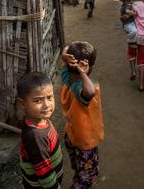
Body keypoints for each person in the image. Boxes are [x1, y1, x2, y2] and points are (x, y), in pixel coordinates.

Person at [61, 41, 104, 188]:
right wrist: (82, 73)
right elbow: (90, 92)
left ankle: (81, 172)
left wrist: (67, 60)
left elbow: (66, 49)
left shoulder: (66, 76)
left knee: (78, 164)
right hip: (86, 141)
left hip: (71, 134)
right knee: (84, 177)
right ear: (89, 68)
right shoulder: (81, 87)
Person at [17, 72, 64, 189]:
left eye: (49, 98)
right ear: (23, 103)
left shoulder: (40, 119)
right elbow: (44, 173)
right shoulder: (36, 136)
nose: (46, 105)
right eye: (38, 101)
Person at [119, 0, 138, 80]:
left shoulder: (131, 4)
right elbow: (127, 12)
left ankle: (133, 71)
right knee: (134, 32)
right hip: (128, 25)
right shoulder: (125, 6)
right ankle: (131, 41)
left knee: (135, 31)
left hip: (132, 24)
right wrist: (135, 13)